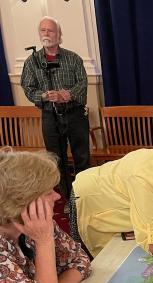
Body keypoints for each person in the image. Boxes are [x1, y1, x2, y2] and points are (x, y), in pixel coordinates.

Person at [0, 150, 91, 283]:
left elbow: (80, 261)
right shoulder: (39, 230)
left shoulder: (37, 223)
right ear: (23, 203)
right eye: (48, 192)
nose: (57, 197)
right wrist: (43, 241)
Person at [21, 16, 90, 199]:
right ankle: (69, 199)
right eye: (43, 30)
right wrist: (43, 96)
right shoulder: (32, 62)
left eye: (50, 30)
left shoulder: (73, 58)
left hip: (74, 114)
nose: (46, 33)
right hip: (50, 116)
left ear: (59, 34)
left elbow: (82, 82)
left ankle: (86, 196)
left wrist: (69, 95)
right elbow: (28, 87)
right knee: (57, 160)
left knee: (82, 157)